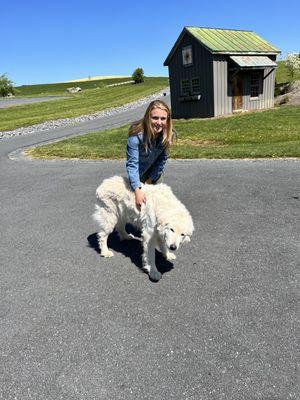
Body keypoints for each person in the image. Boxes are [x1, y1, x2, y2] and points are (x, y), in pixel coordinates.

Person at [126, 100, 174, 209]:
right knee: (138, 205)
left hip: (155, 172)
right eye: (155, 118)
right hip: (139, 172)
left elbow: (162, 160)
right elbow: (132, 165)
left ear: (167, 120)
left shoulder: (168, 135)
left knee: (156, 204)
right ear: (148, 117)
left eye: (163, 118)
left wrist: (151, 180)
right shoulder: (135, 135)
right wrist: (137, 189)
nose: (159, 122)